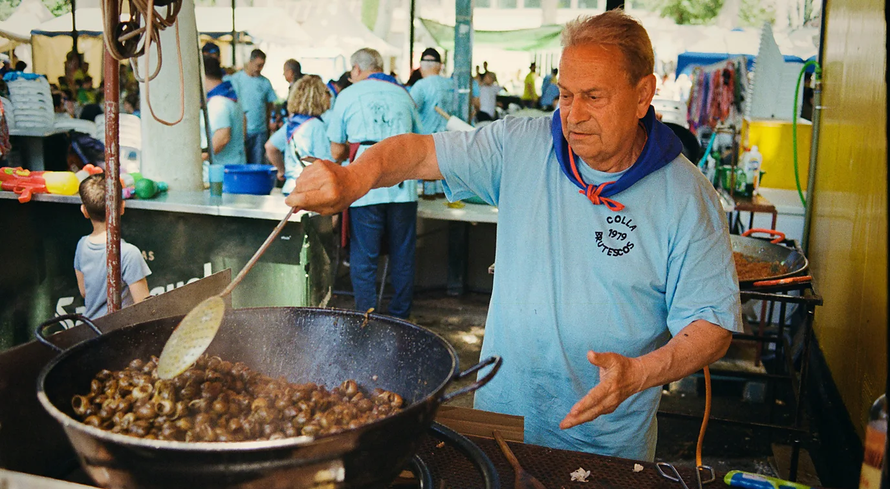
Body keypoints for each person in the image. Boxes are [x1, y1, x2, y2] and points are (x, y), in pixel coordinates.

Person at [284, 10, 741, 461]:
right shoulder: (521, 145)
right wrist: (354, 178)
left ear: (643, 95)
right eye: (565, 95)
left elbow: (711, 324)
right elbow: (419, 152)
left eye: (593, 97)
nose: (574, 115)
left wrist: (640, 373)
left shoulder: (686, 195)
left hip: (605, 441)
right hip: (500, 423)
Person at [325, 47, 422, 319]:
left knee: (364, 257)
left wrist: (354, 151)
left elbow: (334, 151)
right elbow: (422, 140)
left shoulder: (348, 95)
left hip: (365, 187)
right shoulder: (404, 94)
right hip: (403, 187)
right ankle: (401, 316)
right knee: (403, 255)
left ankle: (367, 317)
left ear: (356, 69)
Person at [75, 173, 151, 319]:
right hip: (117, 333)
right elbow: (144, 306)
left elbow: (84, 292)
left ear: (84, 211)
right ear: (122, 207)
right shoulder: (129, 253)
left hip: (89, 328)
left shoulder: (82, 245)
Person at [265, 75, 333, 194]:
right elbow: (325, 164)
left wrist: (283, 171)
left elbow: (270, 147)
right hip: (309, 190)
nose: (330, 96)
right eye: (327, 92)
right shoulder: (316, 126)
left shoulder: (291, 124)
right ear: (318, 97)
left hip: (290, 188)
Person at [228, 49, 278, 164]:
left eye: (262, 66)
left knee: (257, 163)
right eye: (258, 65)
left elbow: (270, 106)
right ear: (250, 62)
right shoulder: (236, 79)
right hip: (240, 130)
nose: (259, 68)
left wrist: (268, 123)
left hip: (260, 131)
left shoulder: (265, 82)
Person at [202, 56, 246, 166]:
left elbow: (222, 138)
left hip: (221, 171)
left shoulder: (218, 103)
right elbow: (245, 120)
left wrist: (199, 158)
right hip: (234, 164)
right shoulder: (230, 96)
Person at [410, 48, 455, 134]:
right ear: (440, 66)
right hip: (450, 138)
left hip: (427, 140)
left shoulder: (420, 86)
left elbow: (410, 111)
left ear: (420, 67)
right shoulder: (452, 84)